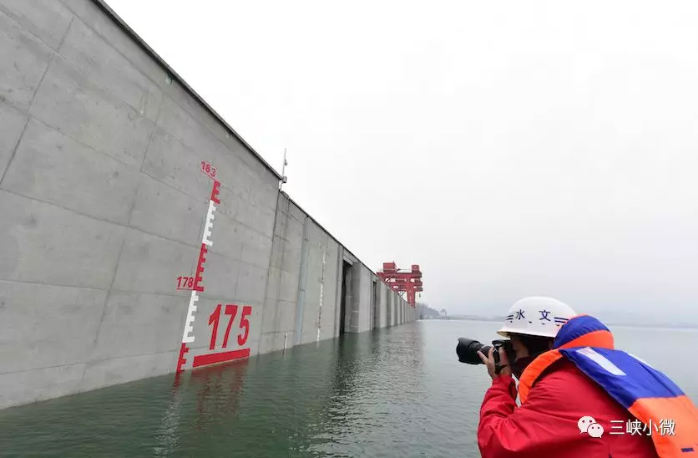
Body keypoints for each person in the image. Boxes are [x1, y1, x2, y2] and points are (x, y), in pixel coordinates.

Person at [476, 296, 698, 458]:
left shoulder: (559, 386)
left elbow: (497, 446)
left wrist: (501, 383)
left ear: (549, 345)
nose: (513, 357)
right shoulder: (631, 367)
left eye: (514, 348)